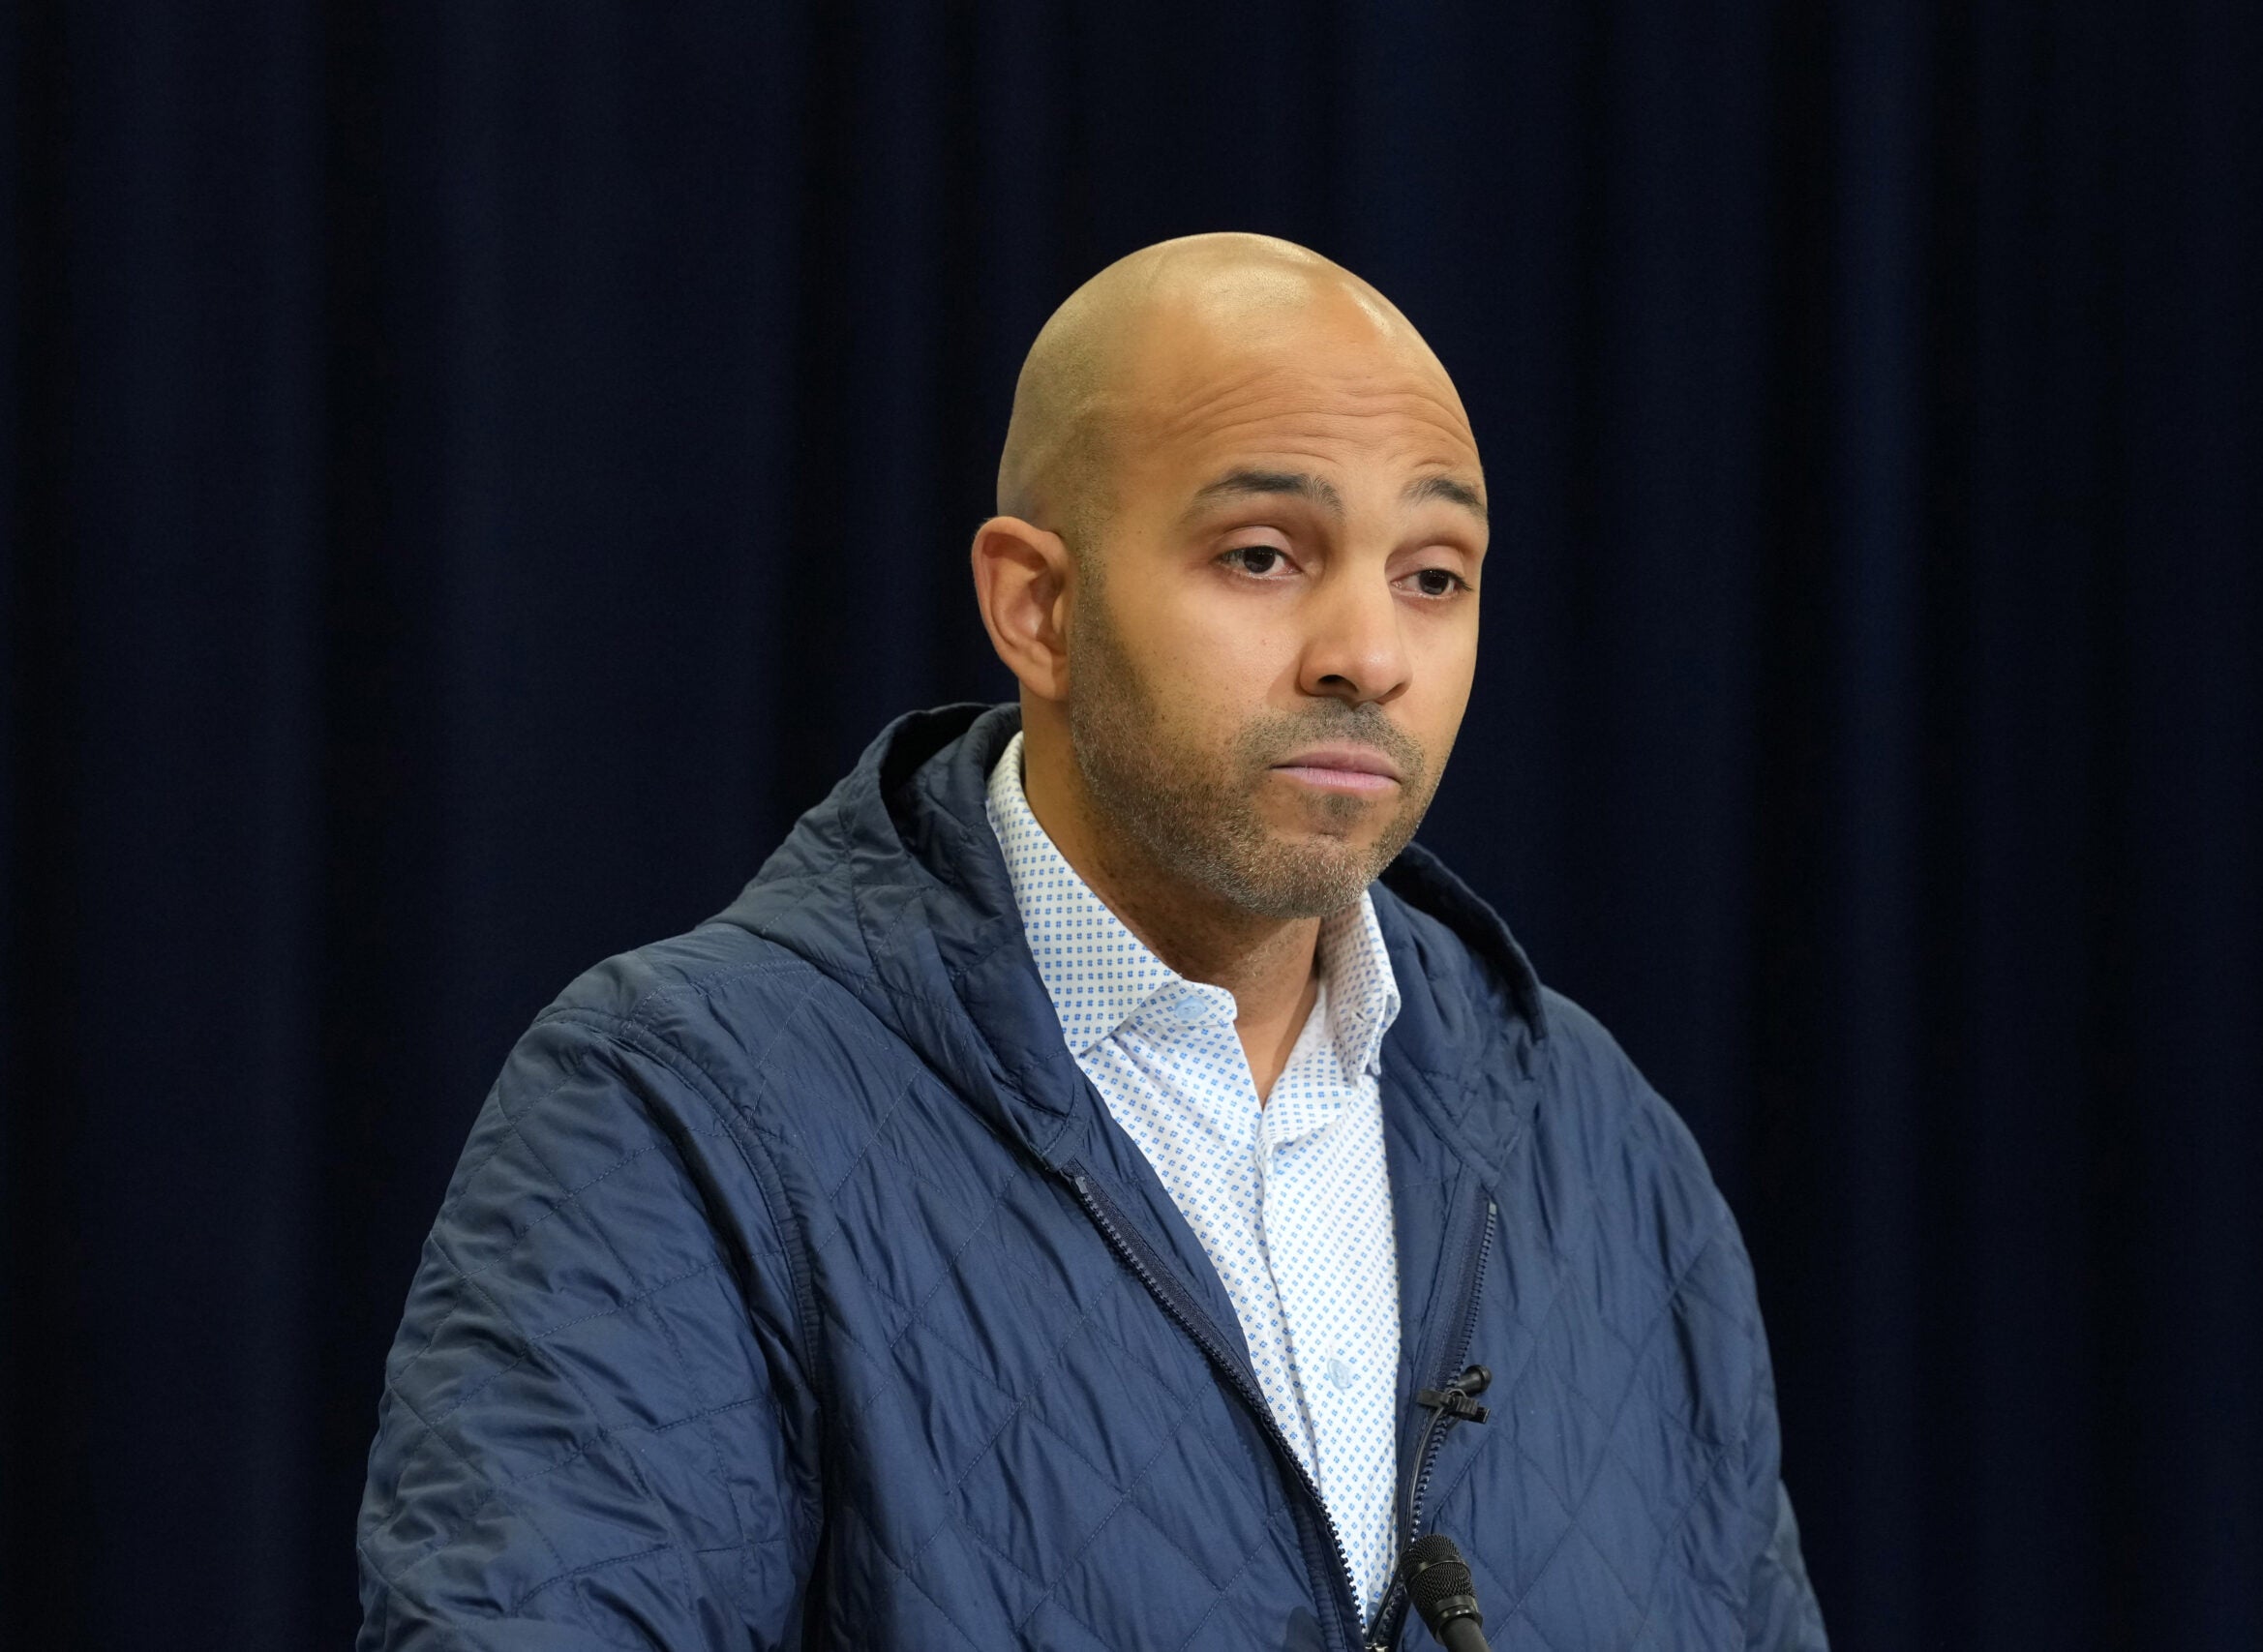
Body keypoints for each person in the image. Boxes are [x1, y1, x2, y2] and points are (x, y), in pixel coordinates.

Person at [355, 232, 1828, 1651]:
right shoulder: (678, 1113)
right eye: (1263, 555)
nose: (1368, 653)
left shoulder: (1602, 1147)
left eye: (1433, 575)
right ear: (1038, 604)